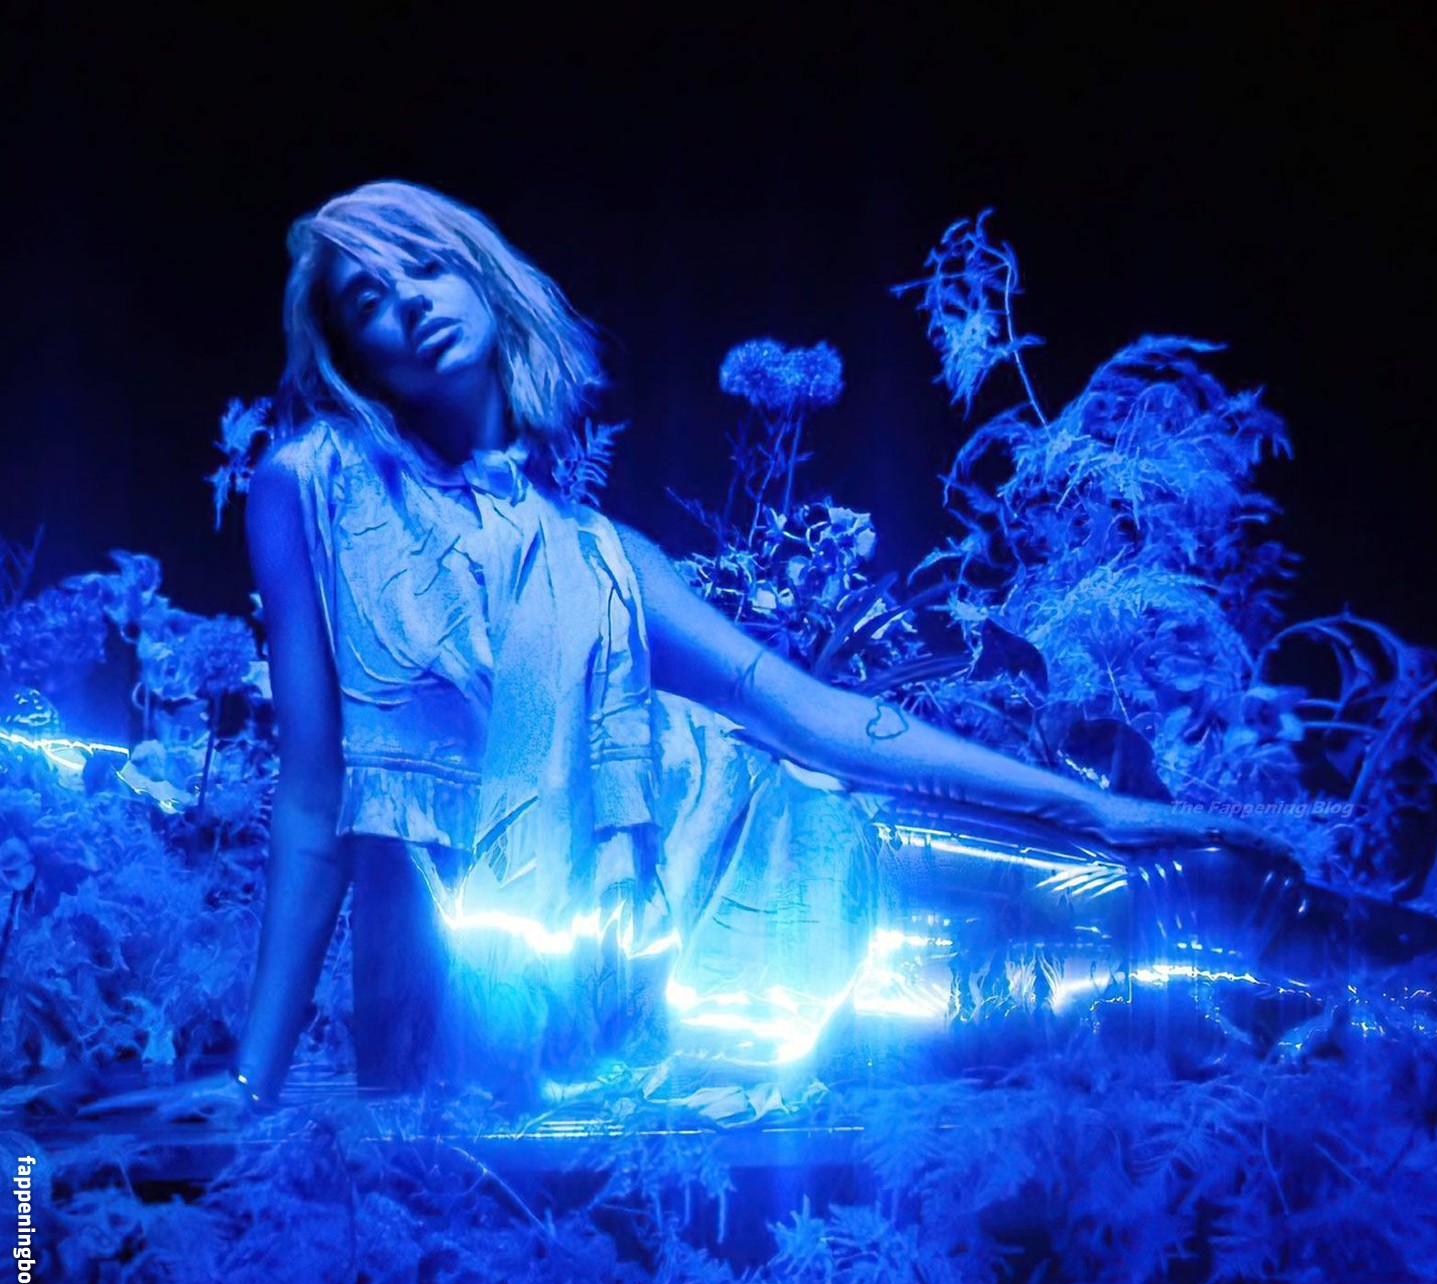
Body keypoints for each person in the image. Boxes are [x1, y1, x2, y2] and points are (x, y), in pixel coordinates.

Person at [112, 180, 1281, 1122]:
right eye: (369, 297)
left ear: (482, 276)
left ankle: (1357, 964)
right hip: (531, 997)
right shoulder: (314, 490)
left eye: (427, 264)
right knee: (1107, 971)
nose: (410, 302)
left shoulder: (603, 554)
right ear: (350, 354)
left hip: (773, 877)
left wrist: (1092, 805)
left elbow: (814, 714)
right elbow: (315, 794)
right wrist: (252, 1080)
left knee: (1157, 906)